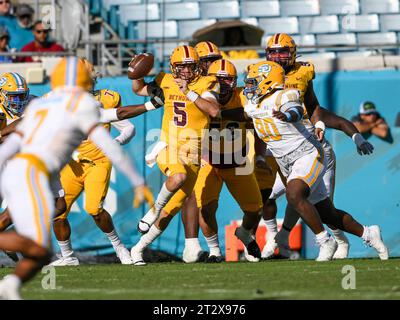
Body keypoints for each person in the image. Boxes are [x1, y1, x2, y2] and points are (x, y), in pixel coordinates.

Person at [0, 57, 148, 299]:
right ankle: (34, 262)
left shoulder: (43, 104)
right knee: (24, 228)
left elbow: (117, 119)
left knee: (56, 216)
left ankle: (15, 282)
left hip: (45, 168)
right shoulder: (51, 105)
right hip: (32, 168)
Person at [222, 61, 388, 261]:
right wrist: (215, 114)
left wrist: (287, 115)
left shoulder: (285, 95)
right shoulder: (254, 103)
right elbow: (243, 114)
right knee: (327, 213)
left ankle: (325, 241)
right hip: (286, 162)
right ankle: (368, 233)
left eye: (254, 82)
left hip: (307, 154)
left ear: (267, 82)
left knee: (294, 193)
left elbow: (296, 110)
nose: (249, 87)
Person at [259, 33, 374, 259]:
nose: (277, 57)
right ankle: (278, 237)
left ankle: (340, 241)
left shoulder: (302, 75)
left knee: (320, 207)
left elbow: (315, 109)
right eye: (273, 52)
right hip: (282, 150)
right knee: (271, 195)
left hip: (309, 148)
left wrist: (354, 137)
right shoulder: (262, 76)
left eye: (282, 51)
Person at [128, 45, 230, 266]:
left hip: (193, 155)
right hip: (169, 146)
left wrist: (189, 93)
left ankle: (137, 249)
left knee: (171, 209)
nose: (186, 72)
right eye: (181, 67)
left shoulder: (206, 83)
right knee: (178, 177)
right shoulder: (165, 80)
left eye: (190, 67)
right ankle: (150, 214)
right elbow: (139, 90)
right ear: (174, 68)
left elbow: (213, 110)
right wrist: (136, 72)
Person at [50, 58, 153, 266]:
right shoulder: (55, 102)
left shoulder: (103, 100)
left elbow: (127, 128)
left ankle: (120, 248)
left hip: (97, 161)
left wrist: (113, 143)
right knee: (57, 212)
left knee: (94, 209)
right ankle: (68, 257)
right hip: (72, 165)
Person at [191, 59, 263, 262]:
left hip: (237, 162)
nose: (222, 84)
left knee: (254, 210)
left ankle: (245, 234)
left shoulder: (242, 96)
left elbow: (251, 117)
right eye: (218, 80)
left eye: (228, 80)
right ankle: (214, 251)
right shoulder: (201, 96)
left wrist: (259, 155)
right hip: (208, 161)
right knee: (205, 209)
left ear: (235, 81)